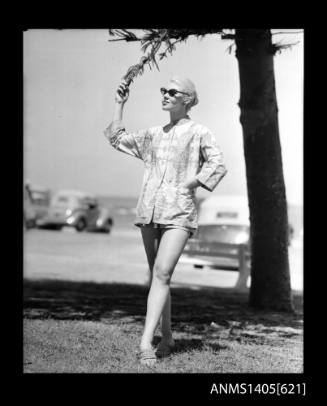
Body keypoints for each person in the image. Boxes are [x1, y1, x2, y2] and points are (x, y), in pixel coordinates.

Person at [104, 76, 227, 366]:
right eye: (163, 90)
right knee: (160, 276)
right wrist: (120, 105)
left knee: (161, 273)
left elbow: (218, 164)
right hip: (149, 210)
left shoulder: (199, 132)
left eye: (172, 92)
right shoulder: (153, 134)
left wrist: (191, 183)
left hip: (179, 213)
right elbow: (116, 138)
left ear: (188, 99)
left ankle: (146, 342)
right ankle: (168, 337)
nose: (165, 94)